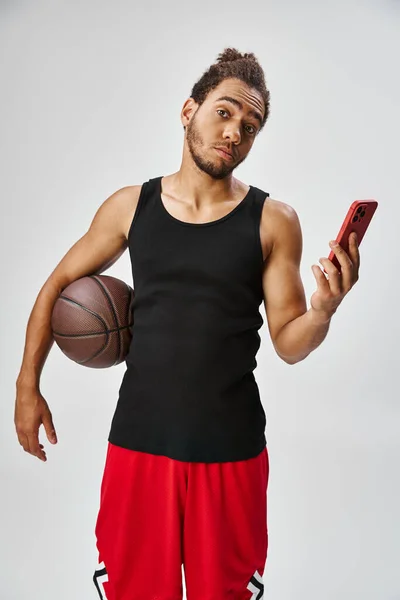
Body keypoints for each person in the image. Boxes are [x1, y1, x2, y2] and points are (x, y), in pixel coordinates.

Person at [14, 48, 360, 600]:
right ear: (188, 111)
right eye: (223, 113)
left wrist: (323, 309)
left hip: (231, 449)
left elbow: (290, 343)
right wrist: (27, 385)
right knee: (132, 590)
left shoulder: (274, 220)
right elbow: (54, 286)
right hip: (138, 444)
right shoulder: (132, 207)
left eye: (249, 126)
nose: (234, 133)